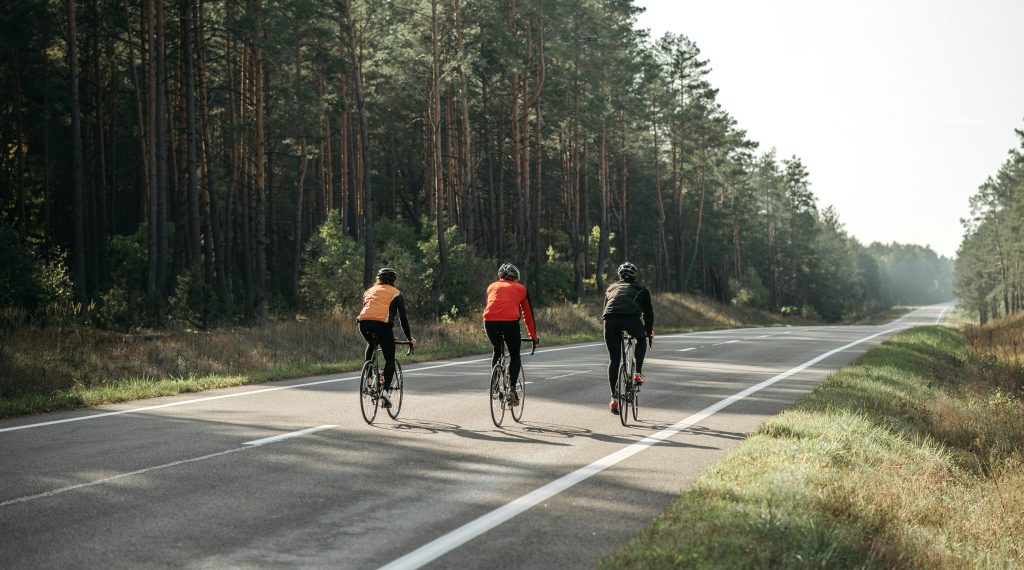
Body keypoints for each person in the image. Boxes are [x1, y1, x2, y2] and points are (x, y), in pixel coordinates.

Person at [357, 267, 416, 408]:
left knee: (372, 343)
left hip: (363, 324)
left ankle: (369, 378)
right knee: (390, 358)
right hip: (383, 326)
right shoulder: (396, 294)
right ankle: (384, 392)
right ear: (393, 281)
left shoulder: (369, 291)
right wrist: (410, 339)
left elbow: (370, 310)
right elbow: (403, 319)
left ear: (378, 279)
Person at [482, 263, 539, 406]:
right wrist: (533, 335)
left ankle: (495, 386)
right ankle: (512, 388)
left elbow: (492, 306)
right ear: (515, 277)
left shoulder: (491, 287)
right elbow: (528, 314)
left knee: (497, 349)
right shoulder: (521, 289)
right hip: (510, 322)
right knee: (514, 355)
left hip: (489, 321)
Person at [602, 261, 654, 415]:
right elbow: (649, 314)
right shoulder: (642, 289)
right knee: (641, 338)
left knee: (614, 360)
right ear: (635, 275)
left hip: (610, 320)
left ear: (619, 276)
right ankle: (637, 373)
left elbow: (605, 309)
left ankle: (614, 399)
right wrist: (648, 332)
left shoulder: (611, 288)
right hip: (631, 318)